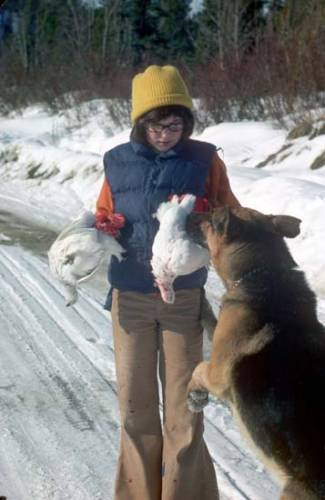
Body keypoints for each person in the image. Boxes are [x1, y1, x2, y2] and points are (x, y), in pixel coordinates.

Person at [95, 65, 240, 500]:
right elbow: (102, 214)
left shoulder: (205, 160)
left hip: (183, 299)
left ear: (187, 122)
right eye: (155, 126)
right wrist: (103, 225)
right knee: (135, 411)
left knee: (185, 409)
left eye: (174, 124)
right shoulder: (117, 162)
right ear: (140, 123)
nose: (165, 134)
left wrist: (214, 227)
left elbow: (229, 214)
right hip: (131, 300)